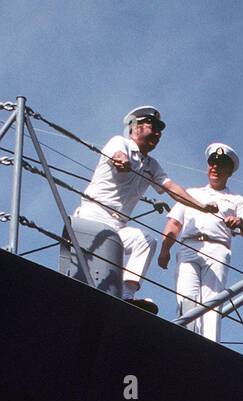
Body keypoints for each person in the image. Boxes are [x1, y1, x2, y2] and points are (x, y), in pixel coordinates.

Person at [72, 106, 218, 307]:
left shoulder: (151, 165)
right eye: (153, 127)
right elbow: (117, 155)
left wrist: (201, 206)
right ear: (136, 127)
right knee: (86, 272)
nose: (157, 134)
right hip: (94, 215)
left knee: (146, 241)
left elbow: (171, 188)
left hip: (117, 226)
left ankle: (127, 296)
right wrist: (121, 160)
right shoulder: (120, 142)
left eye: (160, 130)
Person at [158, 143, 243, 342]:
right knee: (186, 298)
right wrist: (165, 249)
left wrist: (240, 223)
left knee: (212, 301)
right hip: (189, 246)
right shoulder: (192, 194)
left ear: (229, 171)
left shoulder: (236, 200)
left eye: (221, 165)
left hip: (217, 249)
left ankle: (210, 345)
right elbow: (174, 223)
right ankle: (185, 341)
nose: (215, 168)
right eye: (212, 163)